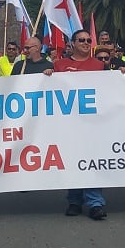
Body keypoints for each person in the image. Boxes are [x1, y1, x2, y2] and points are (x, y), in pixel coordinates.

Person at [51, 30, 108, 220]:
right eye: (81, 40)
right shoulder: (59, 65)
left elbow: (112, 89)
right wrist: (47, 76)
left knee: (91, 162)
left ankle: (95, 203)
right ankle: (74, 201)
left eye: (88, 40)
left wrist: (122, 74)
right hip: (68, 124)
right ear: (72, 43)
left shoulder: (100, 66)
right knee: (72, 161)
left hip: (92, 124)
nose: (86, 43)